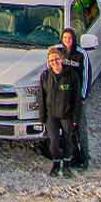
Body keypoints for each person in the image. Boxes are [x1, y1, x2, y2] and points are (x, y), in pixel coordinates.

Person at [39, 44, 81, 177]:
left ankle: (67, 165)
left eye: (56, 59)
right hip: (51, 115)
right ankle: (56, 164)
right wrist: (42, 117)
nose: (54, 62)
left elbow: (76, 99)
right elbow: (41, 98)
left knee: (68, 140)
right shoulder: (45, 76)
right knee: (54, 142)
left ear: (61, 59)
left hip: (67, 114)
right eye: (51, 61)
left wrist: (75, 118)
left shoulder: (71, 75)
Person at [58, 26, 91, 171]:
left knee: (80, 127)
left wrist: (82, 96)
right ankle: (72, 155)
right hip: (64, 97)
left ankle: (84, 157)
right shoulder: (58, 52)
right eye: (65, 38)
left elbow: (86, 76)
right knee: (67, 128)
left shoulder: (81, 54)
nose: (67, 41)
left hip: (77, 97)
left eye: (70, 38)